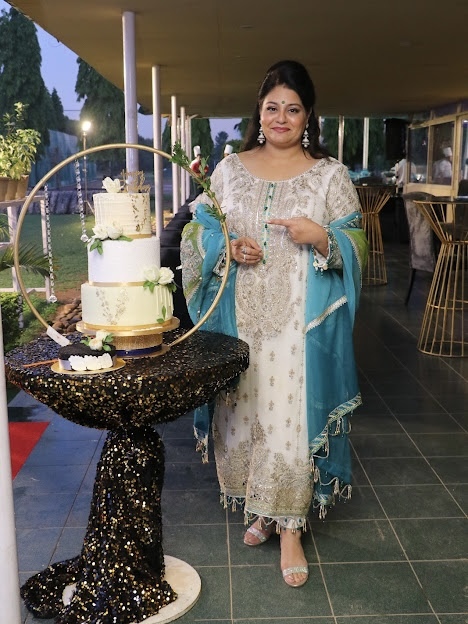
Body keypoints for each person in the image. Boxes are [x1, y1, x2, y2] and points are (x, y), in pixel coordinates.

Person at [180, 60, 368, 589]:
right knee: (244, 412)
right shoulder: (228, 170)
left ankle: (290, 527)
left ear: (308, 117)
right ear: (258, 112)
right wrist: (227, 246)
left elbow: (358, 245)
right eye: (272, 107)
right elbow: (198, 230)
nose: (281, 118)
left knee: (289, 420)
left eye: (293, 109)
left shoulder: (329, 176)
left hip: (298, 328)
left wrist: (322, 237)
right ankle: (261, 509)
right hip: (239, 321)